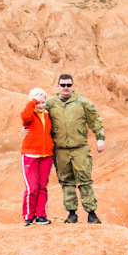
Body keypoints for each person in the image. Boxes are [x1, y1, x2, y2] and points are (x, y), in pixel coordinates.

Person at [45, 72, 104, 224]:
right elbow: (38, 120)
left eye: (68, 85)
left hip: (80, 149)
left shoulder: (83, 103)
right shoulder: (50, 105)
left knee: (84, 180)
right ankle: (71, 214)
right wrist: (26, 129)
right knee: (66, 181)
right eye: (63, 85)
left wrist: (100, 139)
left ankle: (91, 213)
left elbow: (95, 120)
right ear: (58, 87)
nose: (66, 88)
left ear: (73, 86)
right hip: (60, 150)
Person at [20, 88, 54, 225]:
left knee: (42, 186)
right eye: (37, 102)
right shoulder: (30, 115)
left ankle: (41, 216)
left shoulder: (48, 114)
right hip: (30, 155)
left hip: (46, 155)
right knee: (31, 187)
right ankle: (28, 216)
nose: (40, 105)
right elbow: (25, 117)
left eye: (42, 102)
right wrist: (33, 101)